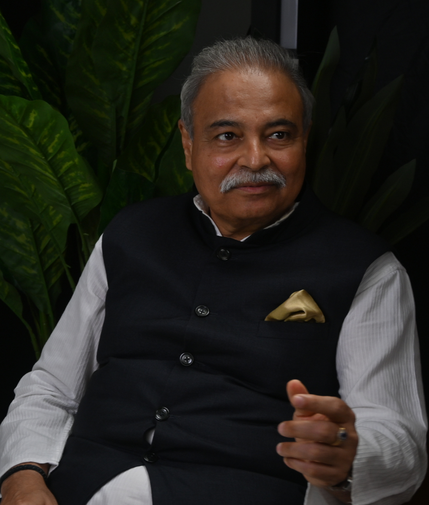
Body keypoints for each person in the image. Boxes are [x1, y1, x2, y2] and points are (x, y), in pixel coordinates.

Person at [0, 37, 426, 505]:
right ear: (188, 144)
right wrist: (22, 475)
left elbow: (400, 440)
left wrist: (349, 455)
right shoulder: (130, 234)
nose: (255, 159)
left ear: (305, 139)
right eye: (227, 136)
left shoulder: (364, 268)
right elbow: (52, 386)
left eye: (278, 135)